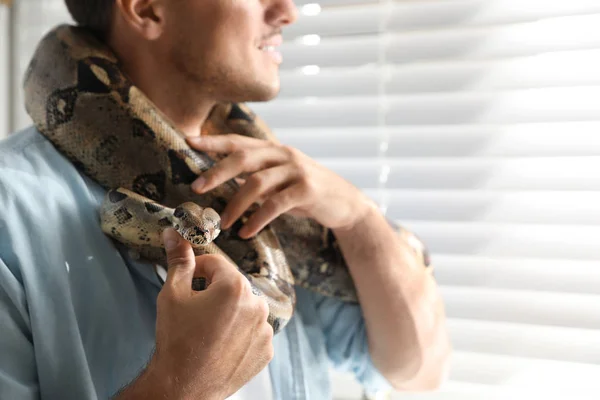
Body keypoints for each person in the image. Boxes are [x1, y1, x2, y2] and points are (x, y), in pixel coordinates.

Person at [0, 0, 451, 399]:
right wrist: (181, 387)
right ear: (147, 9)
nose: (287, 12)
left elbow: (416, 370)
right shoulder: (13, 211)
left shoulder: (271, 194)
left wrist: (359, 219)